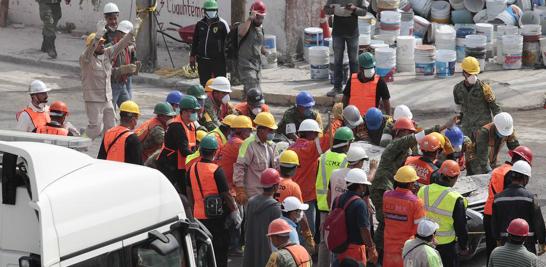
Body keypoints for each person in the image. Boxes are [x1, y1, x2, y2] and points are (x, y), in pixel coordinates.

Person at [371, 116, 454, 255]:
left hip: (389, 188)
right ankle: (379, 251)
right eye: (409, 132)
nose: (410, 135)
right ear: (400, 132)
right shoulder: (395, 146)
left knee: (387, 222)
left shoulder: (407, 151)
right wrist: (441, 127)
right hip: (381, 188)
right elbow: (416, 138)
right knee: (387, 222)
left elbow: (417, 158)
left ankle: (381, 251)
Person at [79, 16, 142, 140]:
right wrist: (97, 36)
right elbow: (89, 51)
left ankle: (107, 150)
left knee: (111, 127)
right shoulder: (86, 59)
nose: (102, 45)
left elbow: (121, 44)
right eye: (99, 43)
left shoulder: (107, 54)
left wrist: (133, 31)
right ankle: (79, 142)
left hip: (107, 98)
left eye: (103, 42)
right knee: (96, 128)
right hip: (93, 99)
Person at [185, 135, 241, 267]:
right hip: (217, 218)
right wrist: (235, 211)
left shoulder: (191, 169)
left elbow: (189, 193)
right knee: (219, 253)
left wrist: (193, 213)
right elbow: (226, 195)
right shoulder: (216, 170)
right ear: (215, 152)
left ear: (200, 150)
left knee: (202, 252)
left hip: (199, 217)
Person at [289, 119, 338, 239]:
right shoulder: (308, 149)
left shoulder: (290, 148)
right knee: (307, 232)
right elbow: (327, 141)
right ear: (310, 133)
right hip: (306, 198)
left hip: (290, 196)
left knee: (292, 229)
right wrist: (336, 122)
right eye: (316, 134)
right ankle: (304, 255)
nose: (317, 137)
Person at [483, 146, 533, 262]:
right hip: (500, 216)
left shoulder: (499, 169)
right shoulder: (513, 174)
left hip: (488, 214)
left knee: (492, 253)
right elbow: (511, 198)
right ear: (523, 161)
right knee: (506, 255)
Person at [418, 160, 469, 267]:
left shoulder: (423, 190)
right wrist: (463, 246)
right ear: (455, 177)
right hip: (446, 246)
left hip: (424, 241)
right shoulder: (456, 198)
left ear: (440, 173)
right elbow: (460, 226)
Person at [492, 161, 546, 254]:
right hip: (527, 244)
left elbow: (494, 223)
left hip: (505, 243)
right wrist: (542, 242)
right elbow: (538, 223)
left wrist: (498, 239)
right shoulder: (531, 198)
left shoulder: (498, 198)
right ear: (525, 178)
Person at [331, 168, 378, 265]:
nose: (365, 188)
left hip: (339, 247)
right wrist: (371, 248)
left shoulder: (337, 199)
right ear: (360, 186)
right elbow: (364, 230)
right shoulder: (360, 204)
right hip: (354, 251)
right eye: (365, 185)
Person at [382, 166, 426, 267]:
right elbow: (419, 230)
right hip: (406, 249)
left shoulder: (386, 195)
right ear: (410, 184)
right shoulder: (416, 202)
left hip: (389, 246)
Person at [157, 95, 200, 192]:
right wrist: (199, 157)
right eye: (193, 111)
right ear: (184, 112)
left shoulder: (191, 124)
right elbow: (184, 150)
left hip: (181, 163)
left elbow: (193, 144)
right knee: (170, 190)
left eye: (196, 111)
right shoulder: (176, 126)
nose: (195, 114)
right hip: (170, 164)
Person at [233, 112, 279, 203]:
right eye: (270, 130)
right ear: (261, 130)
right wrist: (240, 189)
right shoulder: (248, 144)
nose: (272, 133)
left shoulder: (271, 146)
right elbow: (240, 167)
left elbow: (277, 167)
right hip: (253, 196)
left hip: (269, 195)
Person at [324, 0, 367, 97]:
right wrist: (334, 9)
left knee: (354, 61)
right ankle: (337, 87)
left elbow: (364, 12)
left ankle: (355, 87)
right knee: (337, 60)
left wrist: (354, 8)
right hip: (337, 32)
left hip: (353, 32)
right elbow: (326, 10)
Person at [243, 168, 282, 267]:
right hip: (266, 255)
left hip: (251, 252)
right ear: (275, 186)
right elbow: (278, 237)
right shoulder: (275, 208)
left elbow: (246, 226)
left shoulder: (251, 202)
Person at [453, 56, 501, 137]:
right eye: (469, 73)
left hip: (482, 130)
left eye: (474, 73)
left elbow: (495, 108)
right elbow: (458, 107)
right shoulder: (458, 89)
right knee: (466, 149)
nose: (472, 76)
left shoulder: (485, 89)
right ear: (464, 73)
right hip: (466, 130)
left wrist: (500, 124)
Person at [190, 0, 229, 86]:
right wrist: (192, 56)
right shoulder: (200, 24)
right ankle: (206, 99)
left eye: (213, 10)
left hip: (218, 62)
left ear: (217, 10)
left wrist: (229, 62)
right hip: (203, 61)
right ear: (204, 11)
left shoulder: (222, 24)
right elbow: (195, 41)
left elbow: (229, 43)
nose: (211, 12)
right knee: (205, 85)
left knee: (220, 85)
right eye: (209, 10)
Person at [97, 100, 143, 165]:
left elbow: (101, 158)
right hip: (124, 174)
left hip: (108, 172)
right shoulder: (133, 139)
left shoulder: (109, 133)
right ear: (133, 120)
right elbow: (138, 165)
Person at [237, 0, 267, 97]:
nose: (260, 20)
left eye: (262, 17)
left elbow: (259, 46)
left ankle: (243, 110)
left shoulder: (260, 29)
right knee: (256, 94)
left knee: (249, 94)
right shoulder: (244, 25)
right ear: (252, 14)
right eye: (258, 17)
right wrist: (250, 19)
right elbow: (241, 33)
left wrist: (267, 53)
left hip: (257, 67)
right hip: (246, 66)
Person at [110, 20, 138, 108]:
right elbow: (105, 71)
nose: (132, 39)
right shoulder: (111, 49)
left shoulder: (127, 49)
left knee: (129, 108)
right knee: (110, 112)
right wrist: (121, 70)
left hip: (122, 84)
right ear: (119, 34)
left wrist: (133, 70)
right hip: (112, 85)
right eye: (128, 36)